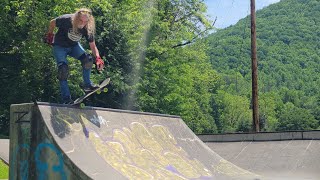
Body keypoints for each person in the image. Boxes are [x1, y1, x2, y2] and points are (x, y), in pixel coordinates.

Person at [45, 8, 104, 104]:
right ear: (76, 17)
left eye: (85, 21)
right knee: (63, 70)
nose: (82, 23)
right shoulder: (66, 19)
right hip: (59, 46)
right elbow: (52, 23)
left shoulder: (88, 28)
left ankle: (87, 85)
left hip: (74, 46)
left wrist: (98, 58)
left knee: (88, 60)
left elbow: (93, 46)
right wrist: (50, 35)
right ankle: (66, 99)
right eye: (81, 20)